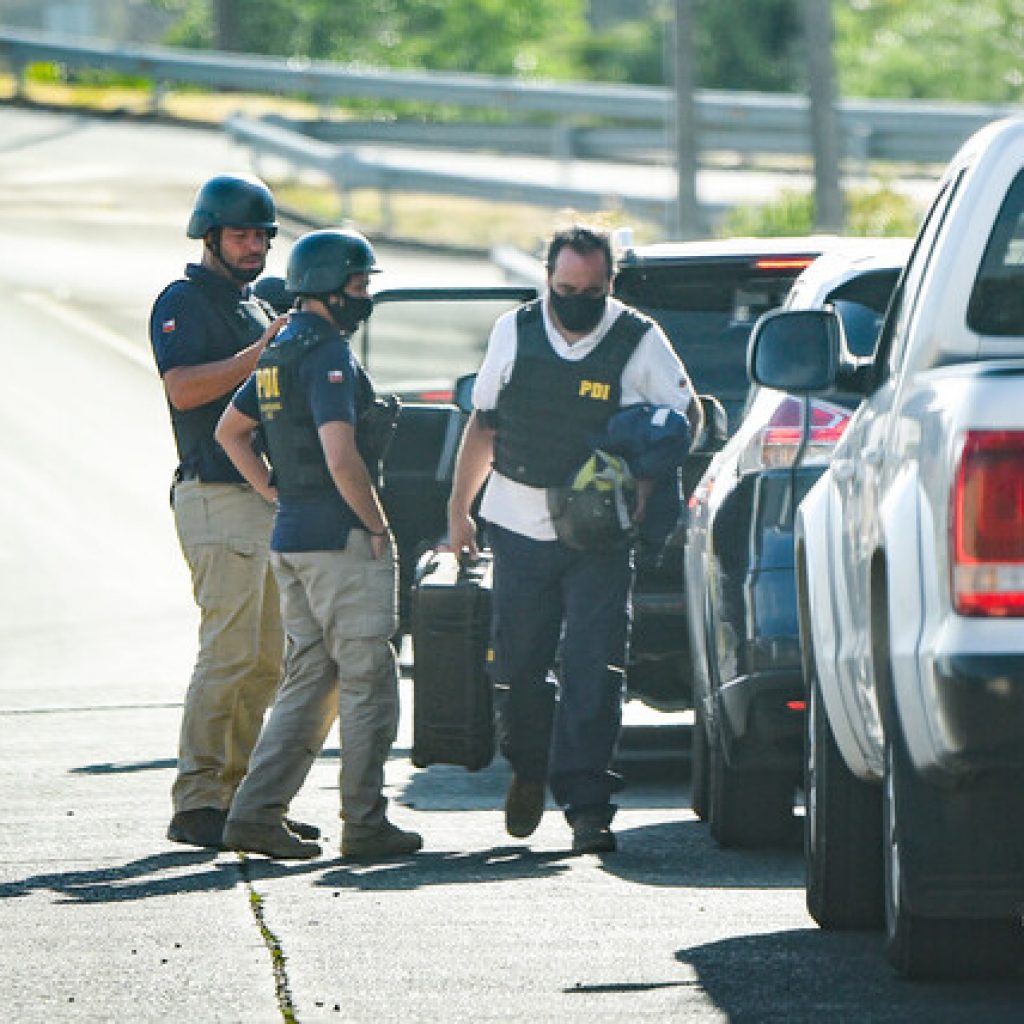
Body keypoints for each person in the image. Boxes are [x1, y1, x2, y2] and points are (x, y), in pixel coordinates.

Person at [446, 224, 702, 854]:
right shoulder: (515, 330)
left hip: (599, 537)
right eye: (566, 289)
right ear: (547, 280)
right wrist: (459, 511)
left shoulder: (638, 338)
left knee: (595, 668)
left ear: (610, 283)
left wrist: (645, 474)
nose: (578, 301)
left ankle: (589, 807)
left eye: (592, 289)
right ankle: (529, 768)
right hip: (517, 525)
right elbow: (484, 423)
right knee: (518, 666)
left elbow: (686, 415)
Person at [215, 227, 422, 861]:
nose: (364, 297)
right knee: (368, 684)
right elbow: (340, 452)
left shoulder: (278, 351)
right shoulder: (328, 353)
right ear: (331, 288)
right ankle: (364, 822)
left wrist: (276, 495)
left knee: (308, 680)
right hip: (339, 540)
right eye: (359, 285)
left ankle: (255, 813)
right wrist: (378, 525)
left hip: (292, 538)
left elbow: (231, 432)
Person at [150, 172, 316, 851]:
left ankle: (244, 803)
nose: (254, 246)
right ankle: (197, 802)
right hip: (217, 495)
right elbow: (184, 390)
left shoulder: (253, 305)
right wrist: (261, 353)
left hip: (263, 497)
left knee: (267, 660)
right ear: (210, 234)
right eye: (242, 234)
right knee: (229, 653)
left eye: (263, 236)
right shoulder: (184, 301)